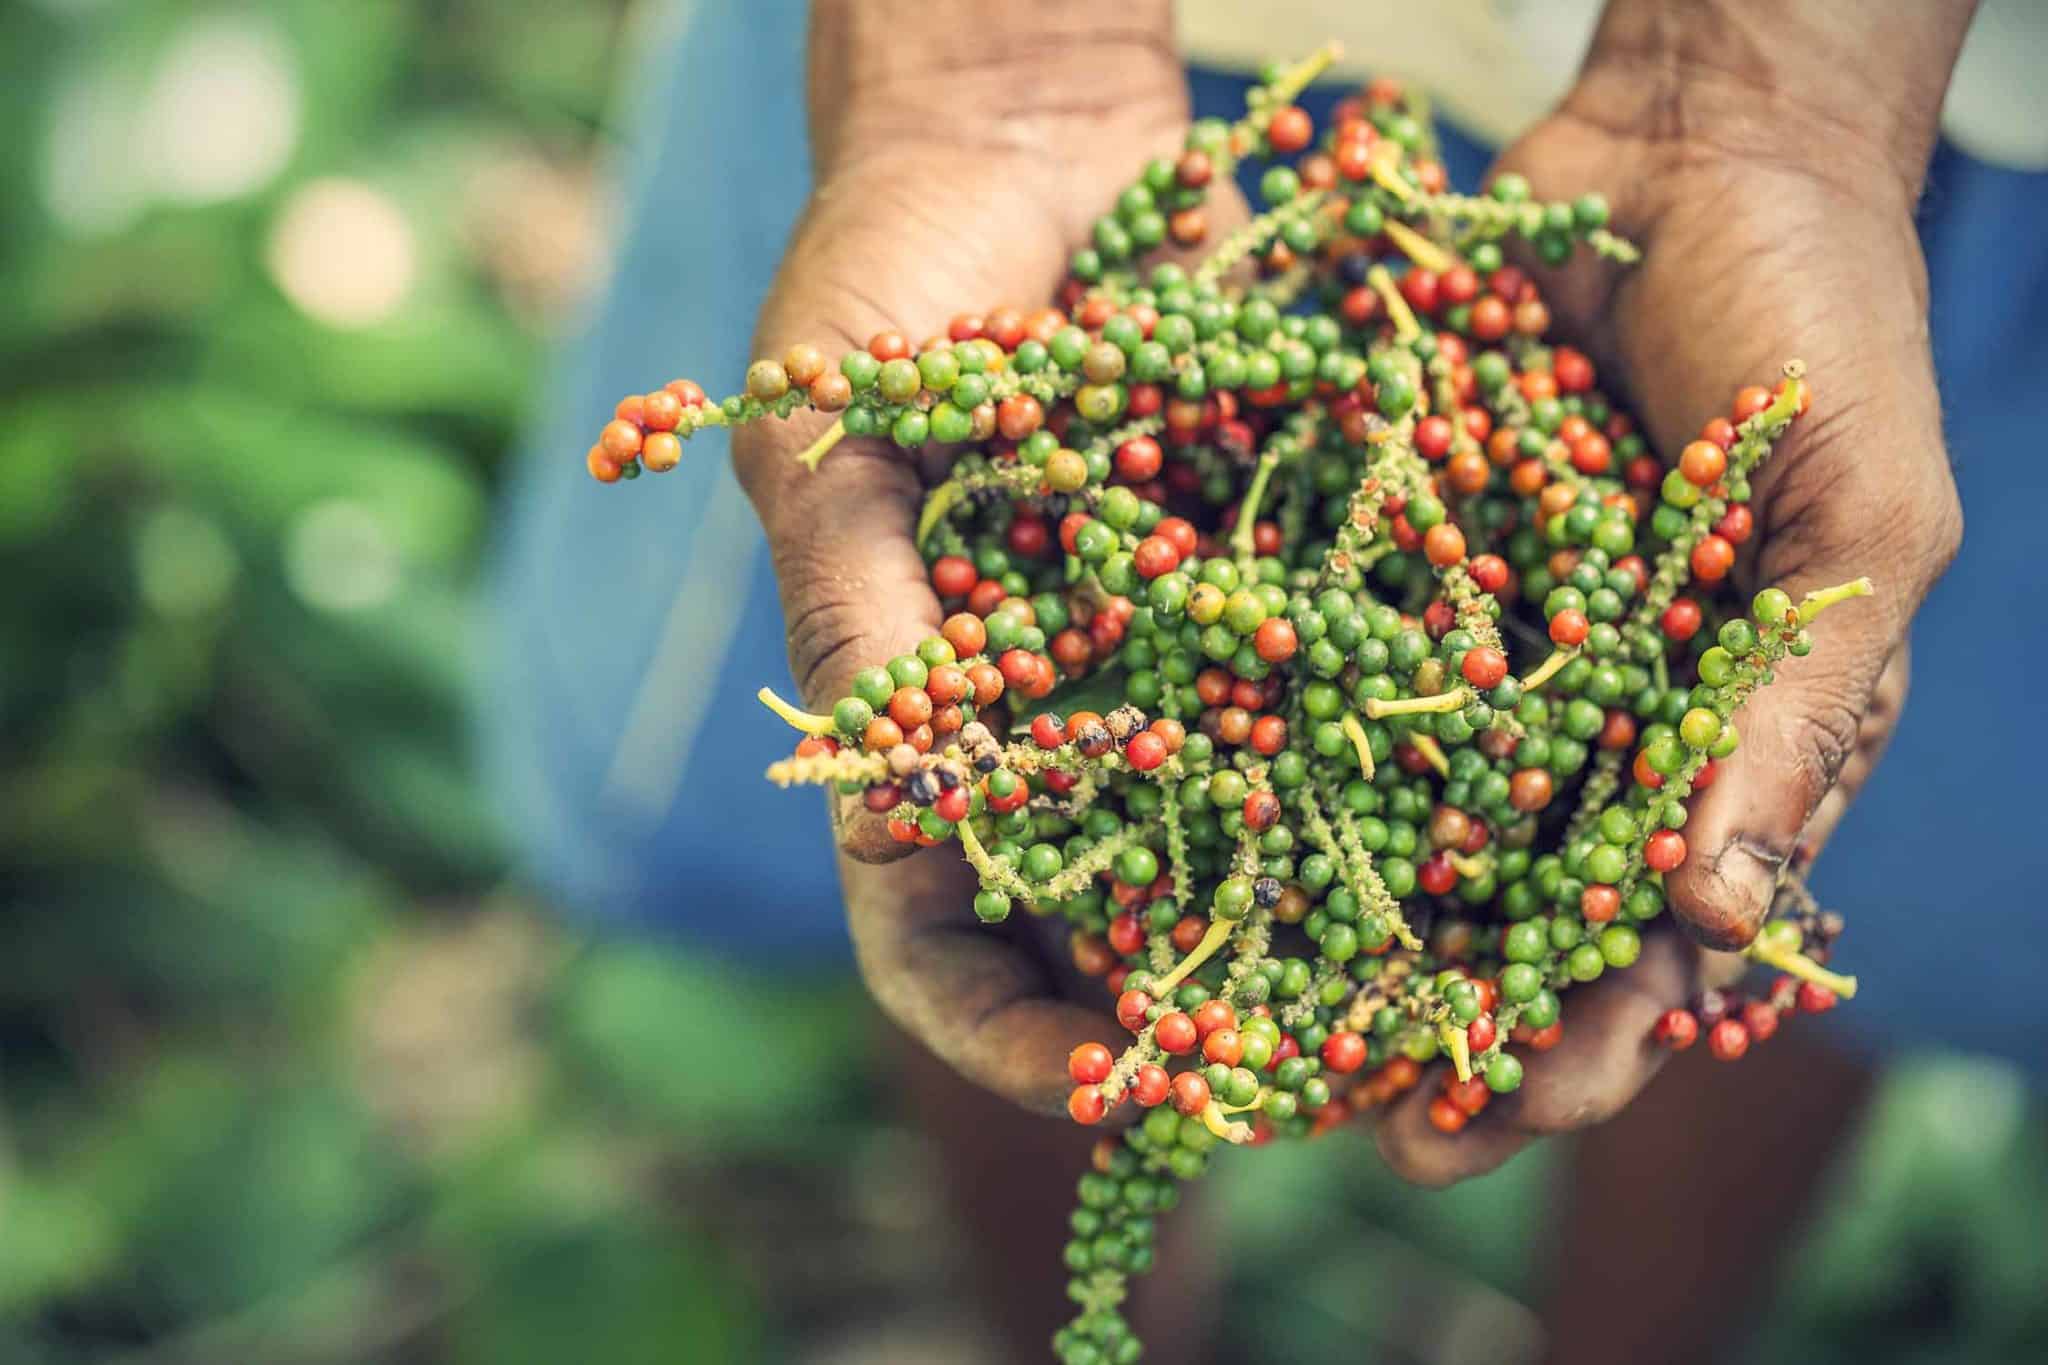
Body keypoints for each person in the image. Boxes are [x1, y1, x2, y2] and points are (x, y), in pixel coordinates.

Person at [485, 0, 2046, 1356]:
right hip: (1085, 96)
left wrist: (1775, 101)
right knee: (972, 842)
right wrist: (974, 64)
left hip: (1933, 105)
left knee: (1750, 847)